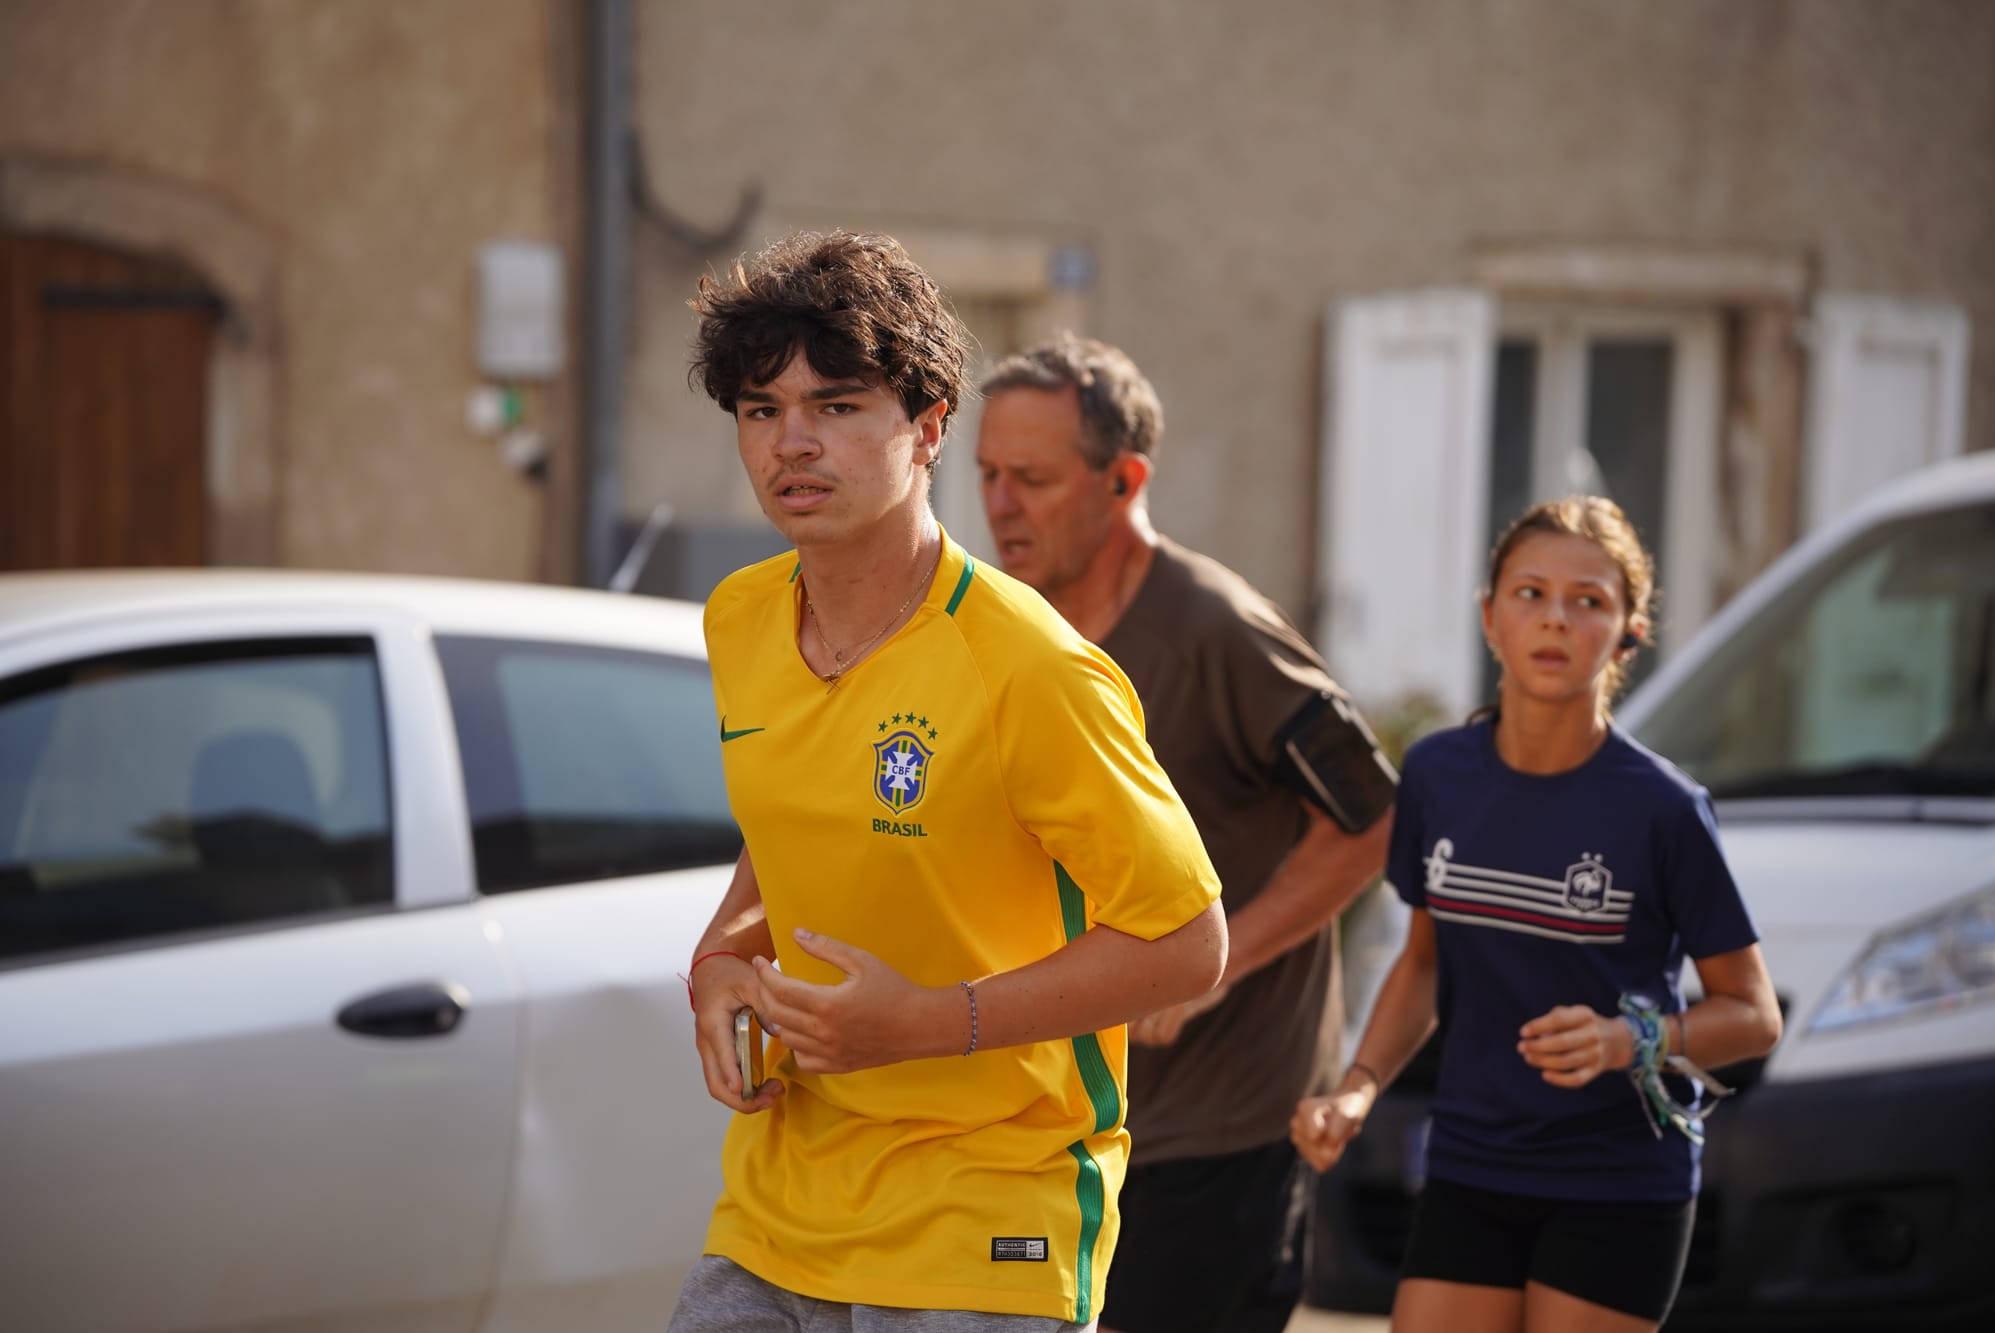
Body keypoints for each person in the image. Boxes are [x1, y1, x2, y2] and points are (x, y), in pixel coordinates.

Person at [670, 231, 1227, 1333]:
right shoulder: (739, 617)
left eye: (836, 406)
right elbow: (792, 820)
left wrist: (931, 1021)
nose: (793, 442)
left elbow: (1187, 944)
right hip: (782, 1203)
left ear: (926, 429)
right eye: (759, 409)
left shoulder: (1031, 665)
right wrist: (721, 951)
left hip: (986, 1218)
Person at [975, 334, 1396, 1333]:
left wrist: (1213, 962)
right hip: (1067, 1122)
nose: (998, 504)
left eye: (1030, 478)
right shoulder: (1008, 633)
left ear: (1123, 480)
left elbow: (1375, 819)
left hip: (1218, 1132)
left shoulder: (1215, 629)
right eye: (986, 473)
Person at [1291, 495, 1784, 1333]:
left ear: (1629, 632)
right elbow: (1424, 963)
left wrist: (1634, 1039)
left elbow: (1754, 1014)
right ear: (1490, 616)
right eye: (1530, 593)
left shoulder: (1664, 809)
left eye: (1589, 601)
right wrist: (1358, 1088)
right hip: (1472, 1163)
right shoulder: (1441, 775)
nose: (1555, 619)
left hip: (1619, 1179)